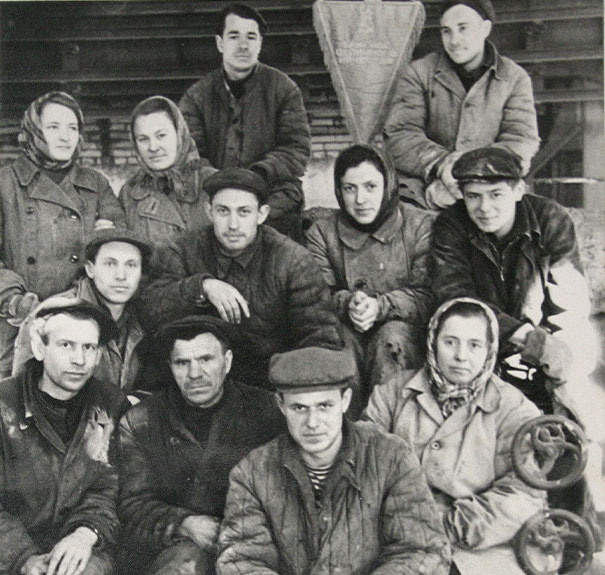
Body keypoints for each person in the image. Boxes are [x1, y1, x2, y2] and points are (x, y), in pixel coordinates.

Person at [216, 346, 451, 574]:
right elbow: (241, 560)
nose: (312, 422)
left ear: (345, 400)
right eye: (299, 408)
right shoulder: (252, 473)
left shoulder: (392, 458)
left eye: (324, 406)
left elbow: (423, 550)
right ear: (281, 405)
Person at [363, 297, 547, 574]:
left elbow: (522, 494)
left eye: (474, 345)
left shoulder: (514, 408)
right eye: (450, 342)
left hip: (479, 549)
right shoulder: (393, 392)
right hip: (398, 538)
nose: (461, 356)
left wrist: (444, 526)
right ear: (433, 342)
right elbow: (364, 464)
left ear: (489, 349)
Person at [430, 147, 598, 418]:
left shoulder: (550, 219)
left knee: (578, 359)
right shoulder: (450, 225)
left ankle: (575, 431)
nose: (484, 208)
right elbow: (456, 299)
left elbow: (571, 305)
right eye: (473, 196)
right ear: (462, 195)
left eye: (496, 194)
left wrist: (557, 353)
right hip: (483, 336)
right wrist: (528, 339)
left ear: (519, 190)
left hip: (546, 332)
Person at [140, 167, 344, 388]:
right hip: (197, 381)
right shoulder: (183, 249)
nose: (233, 224)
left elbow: (320, 336)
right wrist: (201, 287)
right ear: (209, 211)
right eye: (223, 211)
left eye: (244, 212)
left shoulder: (293, 260)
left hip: (269, 383)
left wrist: (290, 387)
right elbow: (150, 310)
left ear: (262, 214)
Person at [118, 315, 285, 575]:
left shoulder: (268, 411)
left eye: (206, 359)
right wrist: (184, 523)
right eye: (182, 363)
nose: (195, 374)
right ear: (170, 366)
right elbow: (132, 505)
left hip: (255, 543)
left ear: (227, 362)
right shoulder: (142, 420)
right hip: (179, 550)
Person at [0, 91, 125, 378]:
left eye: (72, 127)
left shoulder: (96, 183)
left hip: (82, 323)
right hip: (19, 325)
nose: (65, 136)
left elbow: (119, 247)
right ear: (34, 131)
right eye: (53, 127)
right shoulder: (5, 183)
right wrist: (16, 302)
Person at [0, 298, 125, 575]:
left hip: (83, 549)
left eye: (89, 347)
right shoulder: (3, 404)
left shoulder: (111, 405)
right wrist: (22, 558)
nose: (79, 360)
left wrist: (85, 534)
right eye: (66, 345)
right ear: (39, 348)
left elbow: (109, 486)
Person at [305, 144, 434, 399]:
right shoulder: (322, 232)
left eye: (371, 187)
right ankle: (346, 420)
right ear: (339, 191)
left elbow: (429, 294)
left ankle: (390, 419)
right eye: (349, 188)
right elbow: (316, 294)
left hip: (405, 334)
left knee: (391, 339)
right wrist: (349, 303)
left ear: (388, 185)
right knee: (338, 341)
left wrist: (380, 306)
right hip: (348, 327)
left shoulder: (420, 225)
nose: (360, 199)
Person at [383, 0, 539, 209]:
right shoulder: (418, 73)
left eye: (463, 28)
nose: (454, 40)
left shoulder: (514, 78)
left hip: (491, 195)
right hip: (425, 195)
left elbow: (521, 138)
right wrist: (441, 164)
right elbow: (400, 134)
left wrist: (475, 173)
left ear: (485, 29)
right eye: (446, 31)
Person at [179, 3, 311, 241]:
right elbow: (190, 156)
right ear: (220, 43)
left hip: (274, 201)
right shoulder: (196, 96)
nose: (243, 45)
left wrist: (259, 174)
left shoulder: (284, 89)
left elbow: (296, 150)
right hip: (217, 200)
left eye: (251, 37)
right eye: (234, 36)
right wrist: (224, 186)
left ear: (260, 43)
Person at [13, 224, 152, 395]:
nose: (121, 276)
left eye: (131, 265)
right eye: (110, 264)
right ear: (90, 269)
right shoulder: (52, 314)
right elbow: (20, 394)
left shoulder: (140, 318)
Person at [119, 96, 212, 250]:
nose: (153, 147)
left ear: (179, 134)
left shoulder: (213, 183)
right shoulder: (129, 194)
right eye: (143, 139)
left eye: (161, 135)